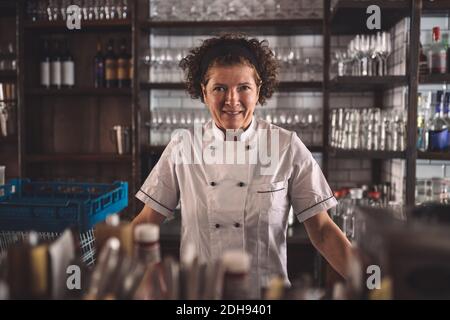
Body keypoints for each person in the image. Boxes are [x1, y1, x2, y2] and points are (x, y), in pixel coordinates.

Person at [133, 33, 353, 298]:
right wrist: (111, 275)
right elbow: (146, 222)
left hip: (265, 296)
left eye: (243, 88)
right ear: (204, 92)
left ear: (258, 90)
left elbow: (322, 230)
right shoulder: (183, 146)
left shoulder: (285, 146)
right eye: (220, 88)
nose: (232, 100)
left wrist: (371, 282)